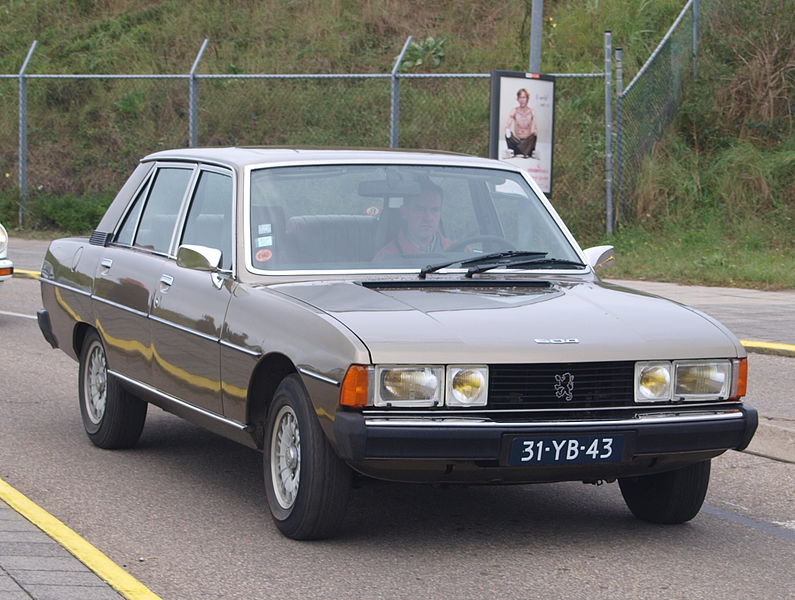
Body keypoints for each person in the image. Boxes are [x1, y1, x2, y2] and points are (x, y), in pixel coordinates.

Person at [373, 181, 452, 260]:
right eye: (420, 210)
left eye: (435, 210)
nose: (428, 218)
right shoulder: (385, 258)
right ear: (404, 212)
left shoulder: (456, 252)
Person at [504, 88, 538, 159]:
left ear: (527, 99)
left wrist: (533, 132)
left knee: (534, 136)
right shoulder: (514, 111)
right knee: (507, 134)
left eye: (524, 97)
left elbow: (534, 128)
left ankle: (520, 151)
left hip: (527, 140)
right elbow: (507, 125)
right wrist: (508, 130)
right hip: (517, 140)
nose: (522, 100)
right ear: (518, 99)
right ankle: (523, 151)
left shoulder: (532, 111)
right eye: (520, 98)